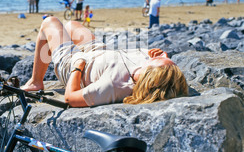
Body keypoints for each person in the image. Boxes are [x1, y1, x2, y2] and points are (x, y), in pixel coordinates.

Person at [21, 17, 188, 108]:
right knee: (71, 25)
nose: (161, 56)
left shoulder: (114, 85)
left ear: (150, 74)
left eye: (159, 60)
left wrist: (77, 68)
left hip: (77, 64)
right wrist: (162, 56)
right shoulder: (151, 69)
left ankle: (36, 82)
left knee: (50, 23)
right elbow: (168, 76)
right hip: (99, 52)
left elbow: (70, 98)